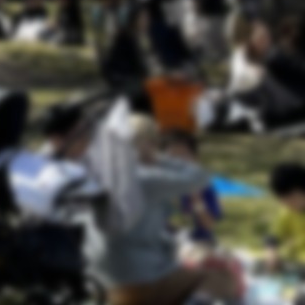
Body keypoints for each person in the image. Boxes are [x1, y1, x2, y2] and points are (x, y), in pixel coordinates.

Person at [92, 115, 241, 305]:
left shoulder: (104, 173)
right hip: (144, 269)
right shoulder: (149, 179)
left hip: (106, 271)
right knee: (223, 283)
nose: (177, 160)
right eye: (170, 154)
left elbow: (207, 224)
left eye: (183, 155)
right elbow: (198, 176)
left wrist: (196, 203)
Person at [161, 130, 222, 249]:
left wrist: (197, 200)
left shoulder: (204, 186)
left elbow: (209, 225)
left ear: (196, 159)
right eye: (171, 158)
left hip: (198, 244)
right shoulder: (158, 184)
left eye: (183, 157)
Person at [267, 162, 305, 273]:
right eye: (283, 200)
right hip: (296, 264)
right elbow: (273, 236)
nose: (288, 204)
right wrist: (271, 252)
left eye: (291, 198)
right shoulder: (287, 212)